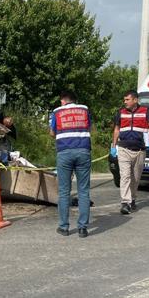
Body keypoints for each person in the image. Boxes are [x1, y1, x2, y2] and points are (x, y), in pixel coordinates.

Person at [49, 91, 91, 238]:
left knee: (64, 191)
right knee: (83, 191)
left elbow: (52, 133)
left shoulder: (57, 112)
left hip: (65, 152)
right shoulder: (85, 109)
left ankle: (64, 227)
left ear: (63, 100)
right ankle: (82, 228)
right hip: (83, 151)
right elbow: (89, 127)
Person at [111, 90, 149, 215]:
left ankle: (132, 198)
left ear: (135, 100)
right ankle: (125, 202)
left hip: (140, 150)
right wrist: (114, 146)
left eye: (127, 99)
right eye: (124, 100)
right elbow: (116, 129)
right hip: (124, 149)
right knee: (125, 176)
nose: (125, 102)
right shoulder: (121, 112)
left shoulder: (146, 111)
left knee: (135, 178)